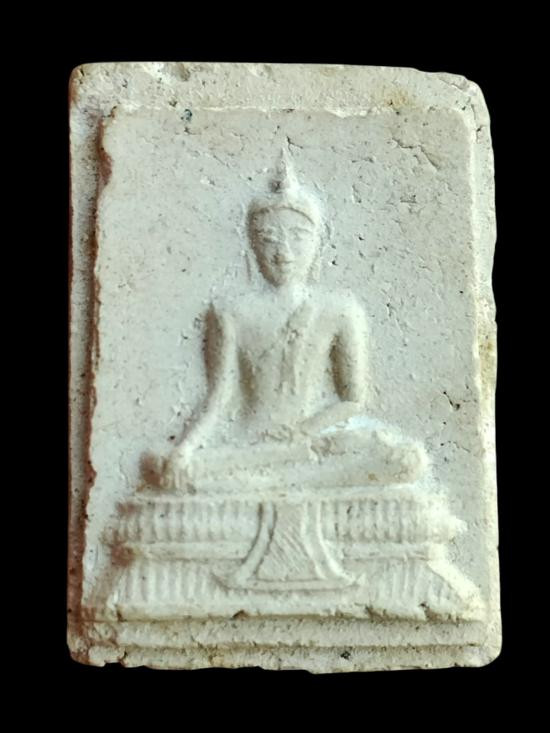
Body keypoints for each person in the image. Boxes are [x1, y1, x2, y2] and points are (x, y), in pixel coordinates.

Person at [159, 151, 427, 494]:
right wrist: (185, 449)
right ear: (253, 246)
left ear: (317, 243)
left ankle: (262, 484)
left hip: (311, 442)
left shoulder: (340, 309)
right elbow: (221, 397)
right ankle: (268, 481)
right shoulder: (231, 311)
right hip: (249, 444)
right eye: (269, 239)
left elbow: (352, 399)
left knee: (406, 458)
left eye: (298, 237)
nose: (283, 252)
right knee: (169, 465)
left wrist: (305, 430)